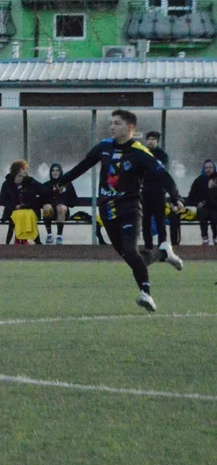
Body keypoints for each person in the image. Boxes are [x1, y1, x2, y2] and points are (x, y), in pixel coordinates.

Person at [58, 109, 184, 313]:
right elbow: (84, 165)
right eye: (111, 123)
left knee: (132, 252)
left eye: (117, 123)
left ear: (130, 127)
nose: (112, 127)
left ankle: (146, 294)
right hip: (107, 210)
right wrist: (63, 181)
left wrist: (176, 196)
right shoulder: (104, 147)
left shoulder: (140, 152)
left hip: (130, 208)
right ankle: (163, 254)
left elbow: (163, 176)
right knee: (131, 257)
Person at [141, 131, 174, 249]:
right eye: (148, 139)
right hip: (145, 193)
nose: (150, 141)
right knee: (145, 222)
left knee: (160, 222)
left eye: (153, 139)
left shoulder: (162, 155)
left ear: (157, 141)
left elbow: (161, 172)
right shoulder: (142, 153)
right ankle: (148, 247)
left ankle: (162, 247)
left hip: (159, 193)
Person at [0, 160, 44, 245]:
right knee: (18, 215)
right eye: (23, 169)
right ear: (16, 170)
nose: (25, 171)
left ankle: (29, 239)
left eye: (25, 169)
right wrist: (15, 206)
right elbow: (2, 200)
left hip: (29, 209)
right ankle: (20, 238)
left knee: (28, 214)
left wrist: (33, 183)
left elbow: (43, 190)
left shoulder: (29, 181)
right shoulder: (7, 184)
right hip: (13, 210)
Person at [40, 163, 77, 244]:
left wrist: (63, 202)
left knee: (60, 207)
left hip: (63, 211)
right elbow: (41, 200)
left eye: (57, 170)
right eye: (53, 170)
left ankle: (59, 236)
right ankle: (49, 234)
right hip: (51, 211)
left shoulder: (67, 184)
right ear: (50, 172)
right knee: (46, 207)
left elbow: (74, 200)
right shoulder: (47, 185)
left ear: (60, 172)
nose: (55, 172)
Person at [186, 159, 217, 245]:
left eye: (210, 167)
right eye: (206, 168)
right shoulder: (199, 180)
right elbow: (191, 196)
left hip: (215, 207)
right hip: (204, 207)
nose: (208, 170)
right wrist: (197, 203)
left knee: (215, 216)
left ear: (214, 168)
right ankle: (205, 238)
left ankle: (215, 237)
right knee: (203, 213)